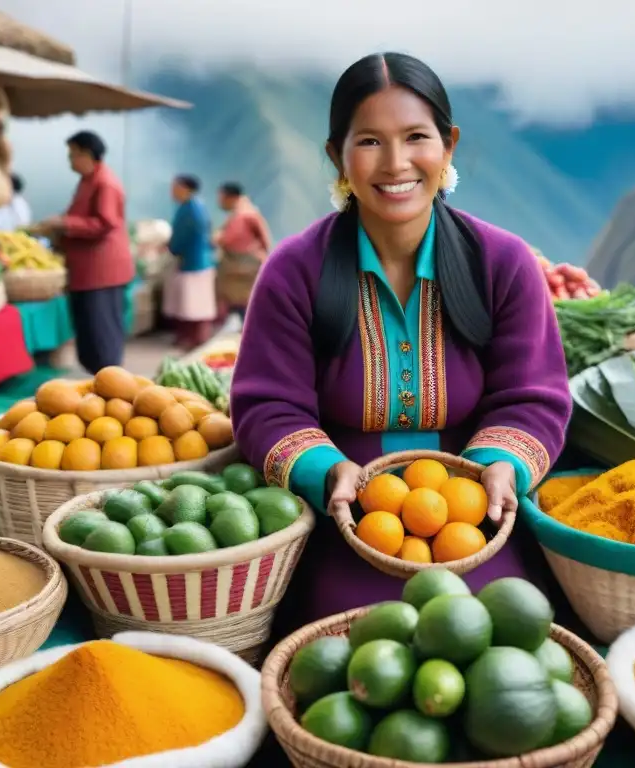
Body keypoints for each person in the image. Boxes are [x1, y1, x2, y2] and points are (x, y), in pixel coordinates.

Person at [229, 53, 571, 627]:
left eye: (416, 137)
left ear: (449, 145)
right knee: (347, 648)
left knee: (502, 631)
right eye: (369, 142)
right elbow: (268, 404)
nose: (395, 164)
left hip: (475, 519)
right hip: (344, 517)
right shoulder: (293, 270)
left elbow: (533, 396)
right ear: (336, 155)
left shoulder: (504, 263)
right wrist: (327, 473)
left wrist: (497, 468)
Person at [33, 131, 134, 374]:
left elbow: (104, 223)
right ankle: (97, 378)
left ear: (87, 154)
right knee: (89, 330)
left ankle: (110, 382)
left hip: (101, 271)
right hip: (86, 270)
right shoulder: (88, 180)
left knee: (101, 331)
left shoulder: (105, 183)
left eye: (73, 155)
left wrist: (63, 223)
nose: (70, 161)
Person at [163, 174, 216, 350]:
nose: (171, 191)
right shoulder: (195, 206)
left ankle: (195, 338)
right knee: (191, 302)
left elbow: (182, 236)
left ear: (184, 188)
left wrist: (171, 248)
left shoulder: (190, 209)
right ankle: (190, 337)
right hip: (196, 260)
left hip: (194, 262)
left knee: (193, 303)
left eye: (174, 187)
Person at [214, 182, 271, 322]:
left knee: (243, 305)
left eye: (221, 198)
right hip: (244, 265)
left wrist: (217, 238)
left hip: (242, 267)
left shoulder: (242, 215)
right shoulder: (246, 211)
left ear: (230, 197)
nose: (219, 202)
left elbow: (228, 239)